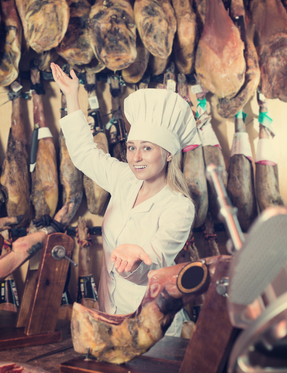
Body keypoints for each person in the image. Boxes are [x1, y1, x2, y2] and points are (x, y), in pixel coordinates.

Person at [51, 62, 197, 336]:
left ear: (168, 154)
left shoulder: (179, 207)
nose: (135, 157)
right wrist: (72, 96)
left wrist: (136, 260)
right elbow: (84, 153)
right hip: (110, 313)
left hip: (153, 327)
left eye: (146, 148)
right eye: (131, 147)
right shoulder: (124, 179)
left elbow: (154, 264)